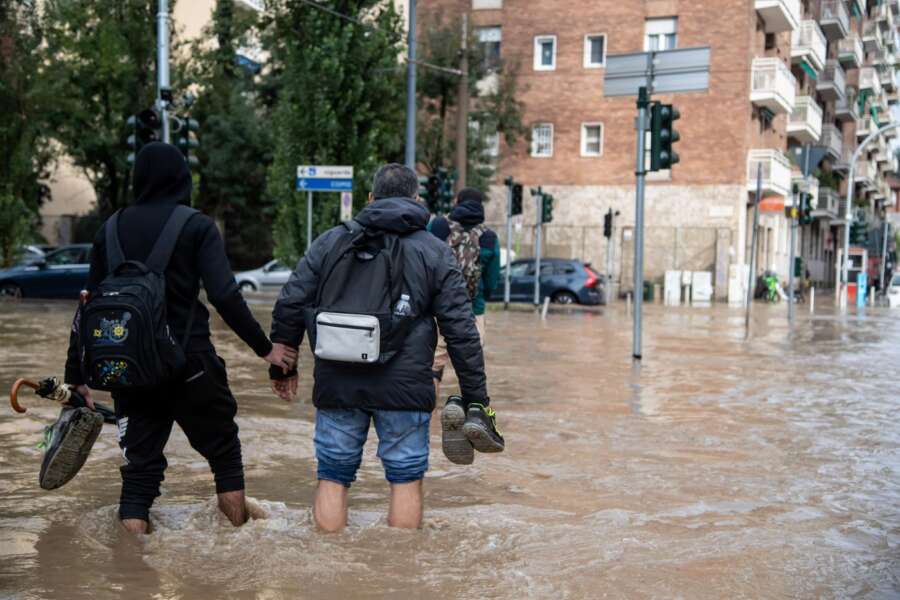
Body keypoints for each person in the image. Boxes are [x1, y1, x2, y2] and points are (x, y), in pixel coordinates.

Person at [63, 142, 296, 534]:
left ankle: (130, 573)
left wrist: (77, 376)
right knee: (224, 458)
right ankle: (233, 552)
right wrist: (265, 348)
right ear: (181, 179)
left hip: (130, 371)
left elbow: (87, 305)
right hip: (192, 367)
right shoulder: (196, 225)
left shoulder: (110, 228)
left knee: (139, 474)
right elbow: (224, 295)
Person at [268, 163, 502, 532]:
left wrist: (283, 368)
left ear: (370, 199)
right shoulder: (434, 251)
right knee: (405, 477)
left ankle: (326, 568)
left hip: (337, 381)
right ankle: (400, 571)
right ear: (416, 199)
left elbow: (290, 302)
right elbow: (461, 331)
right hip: (406, 385)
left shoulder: (331, 241)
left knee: (332, 475)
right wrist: (476, 399)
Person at [428, 188, 502, 464]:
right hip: (473, 310)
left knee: (432, 368)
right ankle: (470, 412)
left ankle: (427, 422)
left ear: (456, 203)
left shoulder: (438, 226)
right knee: (470, 368)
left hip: (436, 309)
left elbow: (423, 260)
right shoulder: (489, 236)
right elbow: (494, 281)